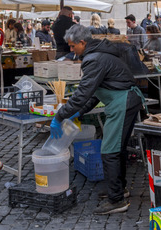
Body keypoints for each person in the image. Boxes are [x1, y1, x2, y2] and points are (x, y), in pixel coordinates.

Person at [49, 25, 144, 215]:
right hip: (127, 100)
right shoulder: (98, 55)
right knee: (117, 148)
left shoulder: (93, 60)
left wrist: (59, 116)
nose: (71, 50)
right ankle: (119, 190)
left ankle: (116, 200)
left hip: (122, 102)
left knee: (109, 150)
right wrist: (79, 112)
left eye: (72, 46)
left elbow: (82, 94)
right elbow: (94, 94)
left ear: (82, 43)